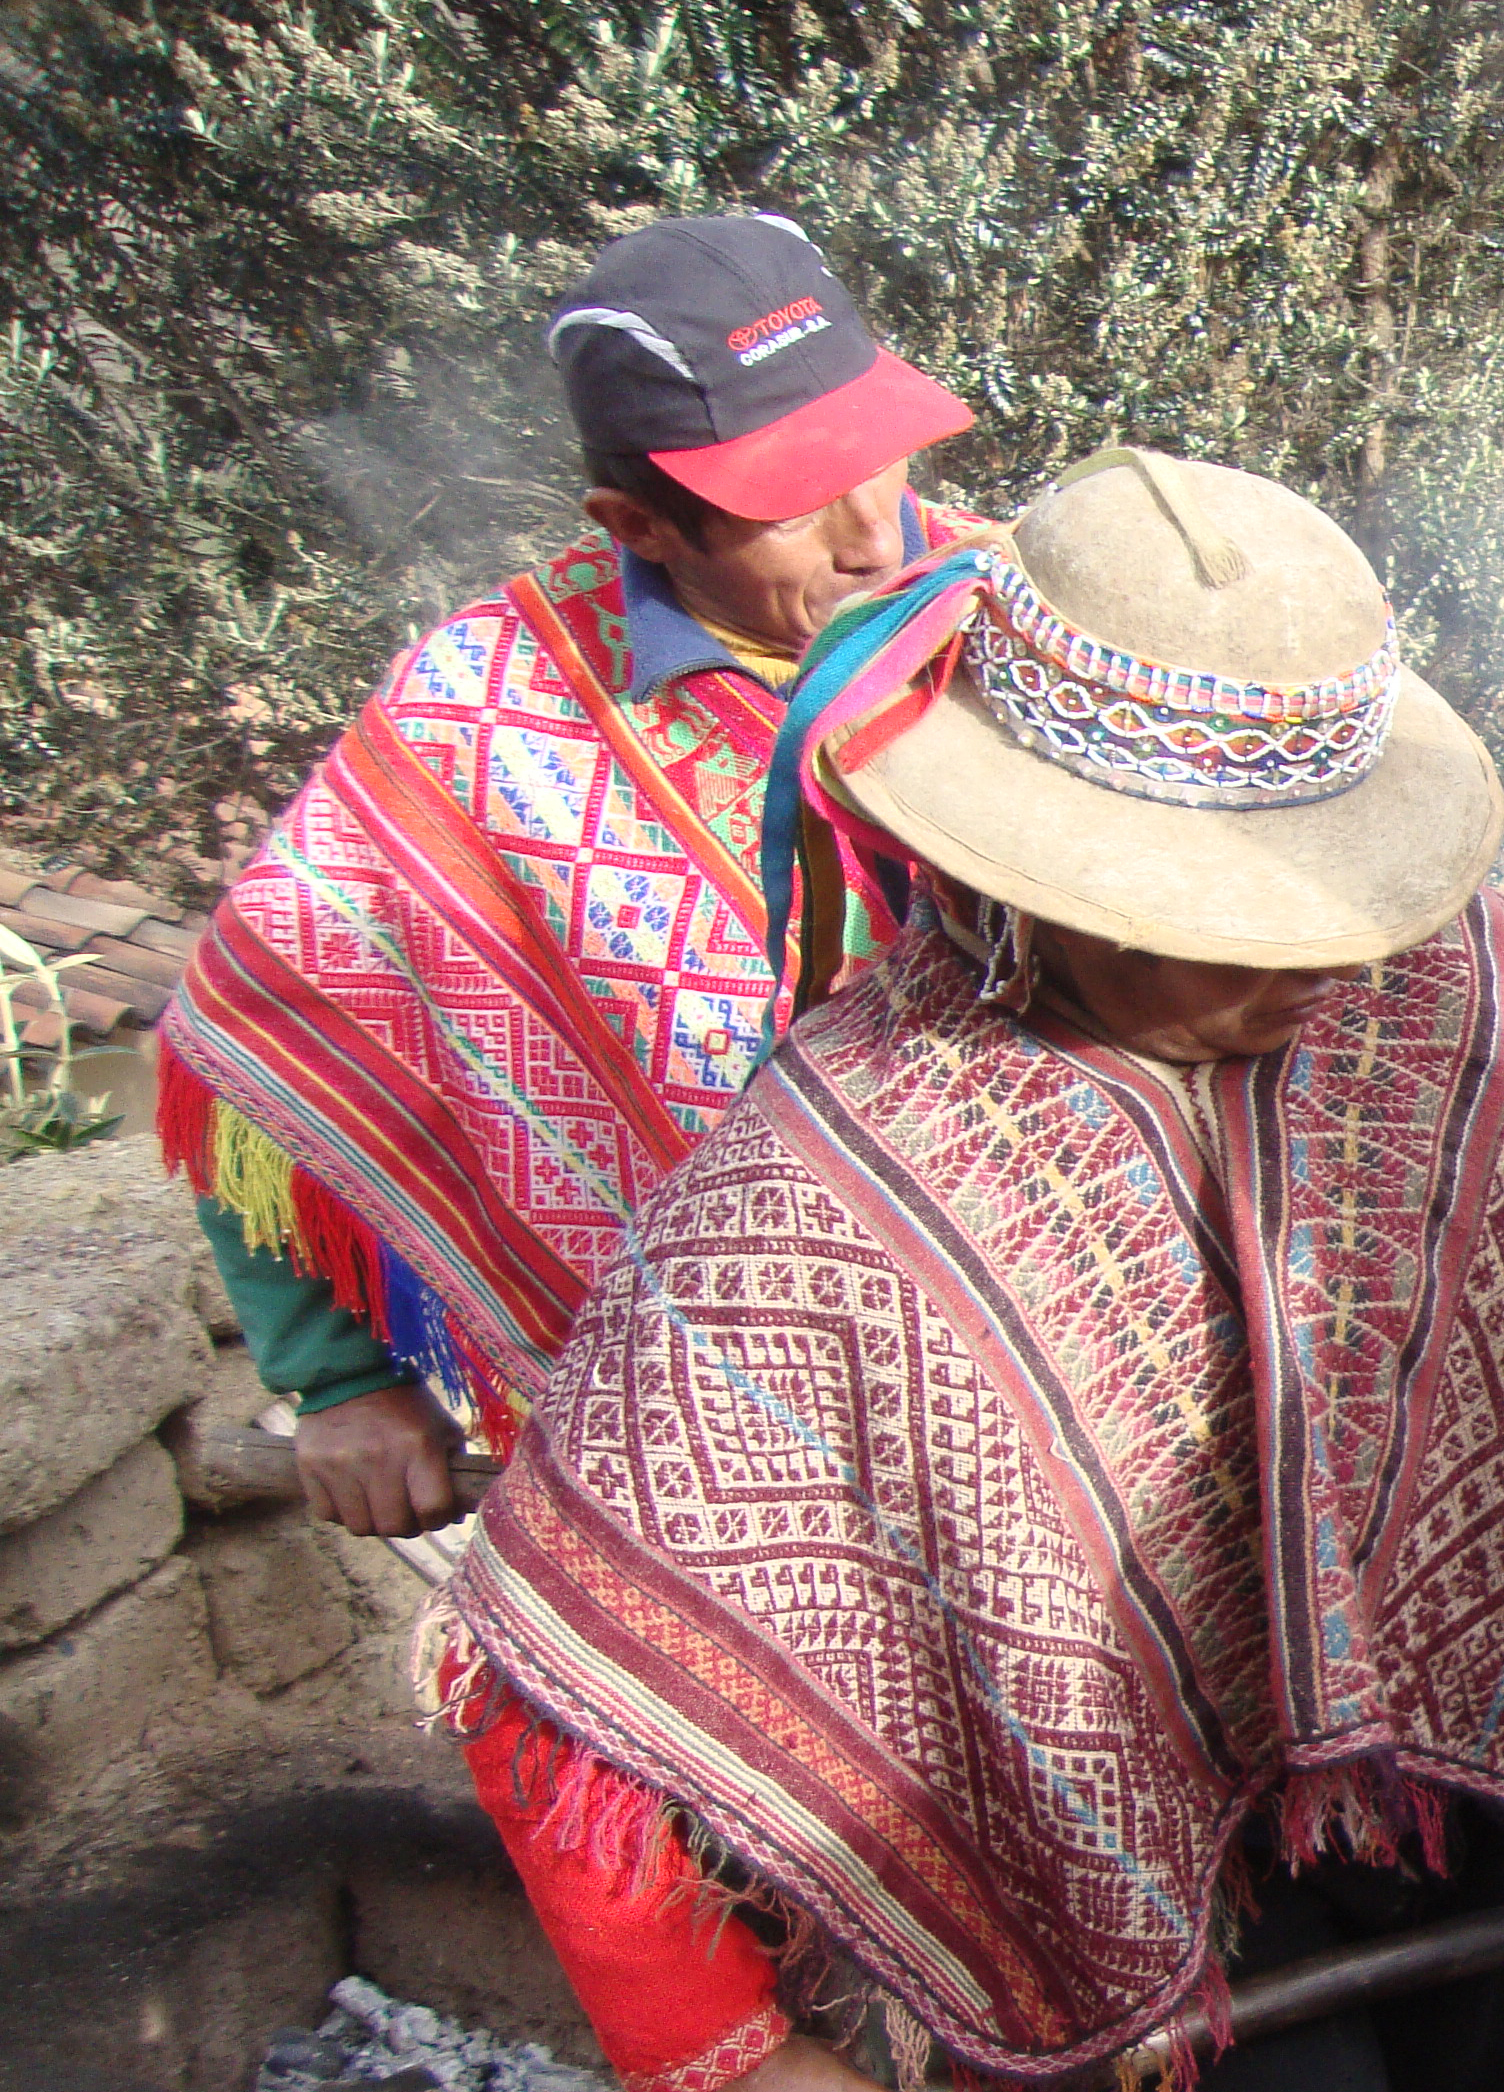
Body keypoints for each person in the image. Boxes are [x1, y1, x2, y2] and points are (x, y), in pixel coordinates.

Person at [437, 452, 1504, 2092]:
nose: (1321, 957)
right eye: (1227, 913)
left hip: (1471, 1787)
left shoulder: (1474, 1002)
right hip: (1151, 1883)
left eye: (1344, 889)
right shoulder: (846, 1170)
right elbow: (569, 1638)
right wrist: (710, 2042)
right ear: (1043, 865)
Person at [158, 212, 977, 1540]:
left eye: (882, 460)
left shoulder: (1030, 625)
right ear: (635, 520)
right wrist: (340, 1379)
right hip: (703, 1457)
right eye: (792, 501)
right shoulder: (483, 723)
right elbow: (270, 1040)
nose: (873, 536)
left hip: (1056, 1412)